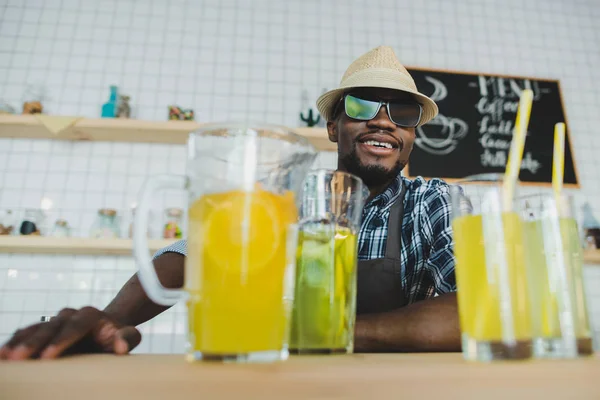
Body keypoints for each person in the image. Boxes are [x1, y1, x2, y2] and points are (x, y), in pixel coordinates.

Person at [0, 46, 460, 360]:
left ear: (411, 134)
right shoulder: (287, 194)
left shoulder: (432, 201)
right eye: (362, 107)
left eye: (401, 112)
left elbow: (469, 307)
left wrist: (323, 335)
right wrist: (110, 319)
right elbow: (191, 253)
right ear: (332, 127)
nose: (383, 122)